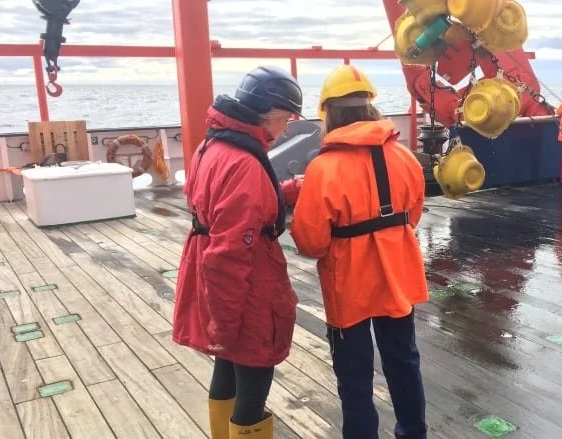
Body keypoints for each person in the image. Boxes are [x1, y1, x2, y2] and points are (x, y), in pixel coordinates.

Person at [290, 64, 429, 439]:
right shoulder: (406, 158)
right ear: (371, 108)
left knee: (354, 376)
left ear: (329, 114)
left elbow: (310, 240)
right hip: (397, 278)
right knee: (403, 361)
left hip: (348, 286)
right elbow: (412, 215)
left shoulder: (323, 168)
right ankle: (413, 433)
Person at [172, 66, 304, 439]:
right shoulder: (246, 162)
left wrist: (288, 191)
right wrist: (224, 325)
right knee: (252, 372)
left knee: (226, 367)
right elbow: (230, 254)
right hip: (246, 288)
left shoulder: (211, 145)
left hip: (204, 264)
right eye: (287, 118)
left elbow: (225, 204)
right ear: (273, 114)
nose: (287, 127)